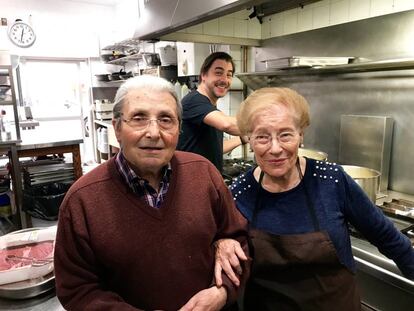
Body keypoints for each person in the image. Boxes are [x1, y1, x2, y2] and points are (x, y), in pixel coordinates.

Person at [54, 75, 250, 311]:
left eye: (166, 120)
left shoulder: (203, 173)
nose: (154, 132)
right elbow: (77, 290)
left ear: (179, 129)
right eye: (139, 118)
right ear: (117, 128)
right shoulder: (82, 200)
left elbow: (240, 239)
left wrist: (222, 291)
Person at [213, 87, 414, 310]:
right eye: (262, 137)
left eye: (285, 134)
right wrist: (220, 241)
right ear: (249, 139)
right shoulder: (240, 193)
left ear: (301, 135)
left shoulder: (332, 181)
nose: (275, 148)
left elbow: (389, 238)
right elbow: (224, 254)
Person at [177, 52, 247, 172]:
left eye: (229, 75)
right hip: (191, 183)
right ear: (204, 75)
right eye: (218, 73)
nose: (224, 80)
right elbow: (228, 124)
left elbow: (215, 148)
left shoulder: (209, 109)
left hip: (206, 181)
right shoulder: (194, 101)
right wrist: (266, 125)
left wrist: (243, 139)